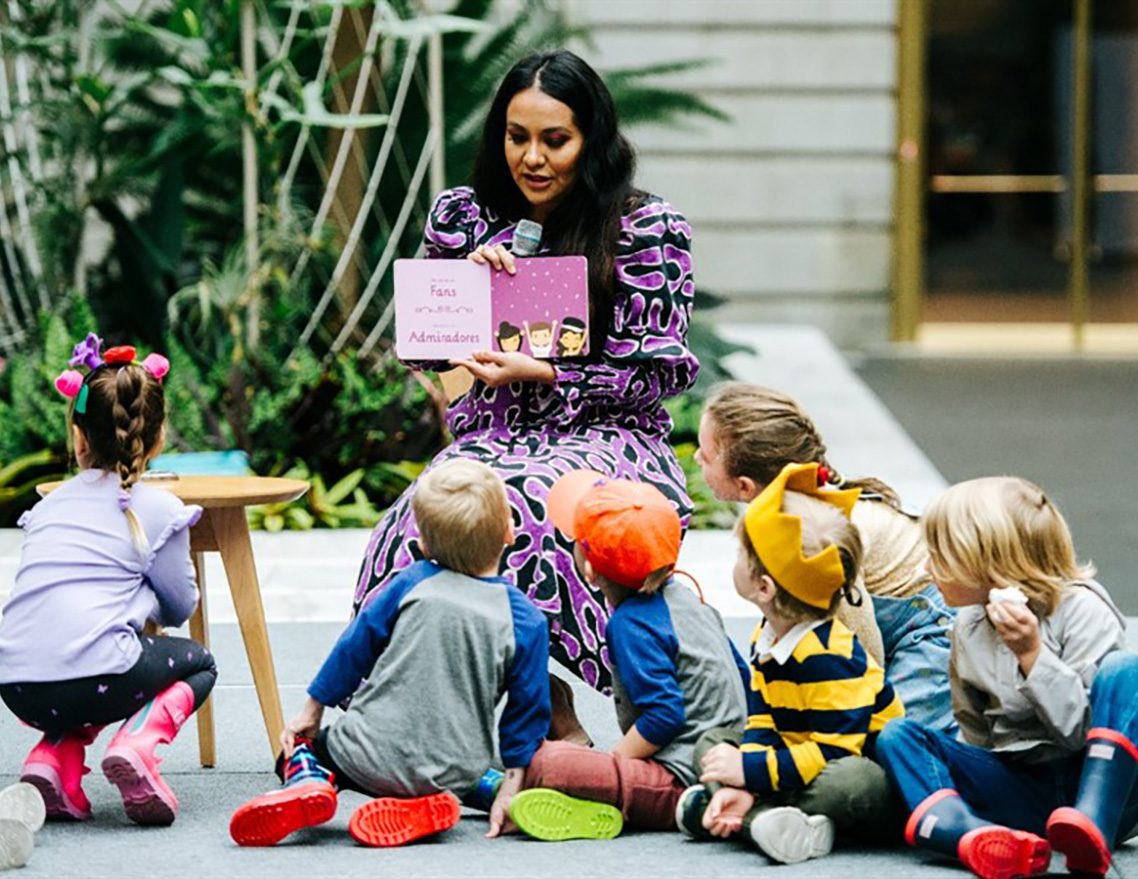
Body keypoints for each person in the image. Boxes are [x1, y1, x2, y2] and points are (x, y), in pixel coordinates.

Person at [353, 50, 699, 725]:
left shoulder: (646, 228)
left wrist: (544, 370)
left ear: (592, 141)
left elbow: (659, 374)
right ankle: (517, 702)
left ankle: (582, 708)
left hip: (612, 440)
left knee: (527, 500)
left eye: (555, 140)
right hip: (492, 436)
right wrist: (474, 293)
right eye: (518, 137)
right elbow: (432, 360)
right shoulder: (461, 218)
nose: (533, 158)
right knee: (423, 515)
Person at [229, 459, 551, 848]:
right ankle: (492, 791)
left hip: (364, 756)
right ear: (509, 532)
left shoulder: (411, 582)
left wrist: (311, 711)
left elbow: (355, 648)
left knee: (299, 749)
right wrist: (516, 777)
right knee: (476, 763)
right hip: (457, 769)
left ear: (424, 545)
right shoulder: (526, 620)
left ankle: (309, 780)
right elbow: (528, 709)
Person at [0, 336, 216, 827]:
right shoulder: (158, 508)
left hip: (18, 684)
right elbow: (181, 606)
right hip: (98, 673)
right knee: (198, 663)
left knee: (90, 657)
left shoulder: (47, 507)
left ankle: (51, 763)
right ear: (157, 439)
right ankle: (138, 744)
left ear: (79, 438)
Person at [875, 476, 1138, 879]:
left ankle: (1092, 826)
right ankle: (970, 835)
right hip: (1023, 782)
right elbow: (976, 729)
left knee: (1127, 671)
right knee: (898, 735)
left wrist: (1031, 654)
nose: (927, 569)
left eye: (941, 557)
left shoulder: (1083, 609)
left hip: (1099, 782)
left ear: (991, 563)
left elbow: (1077, 733)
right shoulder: (968, 623)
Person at [696, 382, 957, 735]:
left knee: (894, 741)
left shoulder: (817, 535)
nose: (696, 459)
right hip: (894, 619)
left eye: (705, 454)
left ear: (745, 486)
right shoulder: (791, 513)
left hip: (930, 627)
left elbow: (863, 651)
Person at [678, 462, 905, 865]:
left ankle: (748, 814)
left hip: (850, 767)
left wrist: (749, 772)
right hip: (794, 755)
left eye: (741, 553)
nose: (735, 560)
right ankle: (764, 815)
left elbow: (834, 754)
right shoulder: (768, 635)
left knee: (853, 784)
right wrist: (745, 765)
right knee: (713, 744)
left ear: (764, 587)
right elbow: (763, 719)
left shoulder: (831, 658)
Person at [503, 471, 747, 841]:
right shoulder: (692, 603)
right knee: (564, 764)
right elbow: (741, 675)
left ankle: (658, 804)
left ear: (588, 567)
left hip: (682, 775)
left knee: (548, 765)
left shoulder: (631, 624)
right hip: (731, 758)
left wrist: (613, 761)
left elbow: (665, 716)